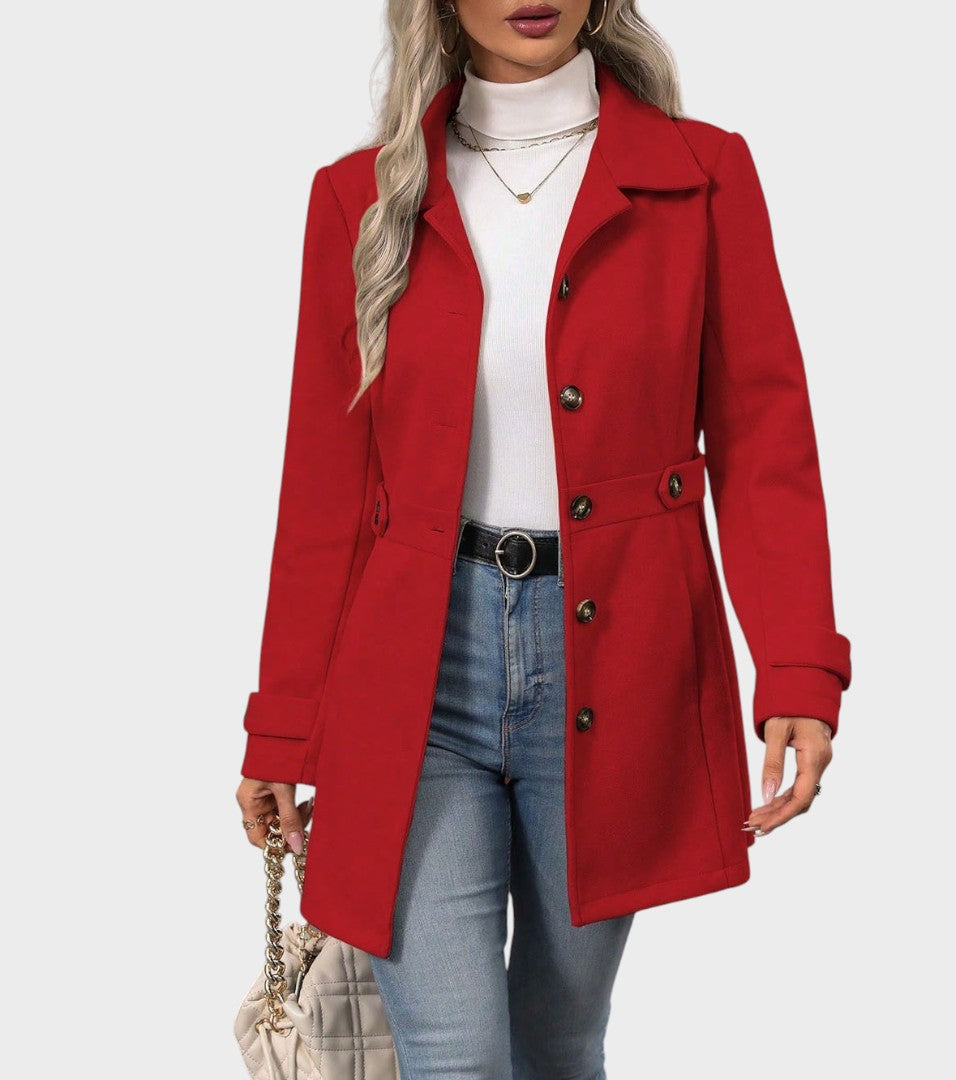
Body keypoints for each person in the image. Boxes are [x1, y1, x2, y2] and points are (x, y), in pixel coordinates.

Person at [236, 2, 852, 1076]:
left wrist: (798, 666)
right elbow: (324, 488)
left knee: (560, 1039)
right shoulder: (361, 196)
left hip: (619, 658)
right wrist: (282, 724)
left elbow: (762, 437)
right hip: (416, 673)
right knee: (457, 1055)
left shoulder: (701, 177)